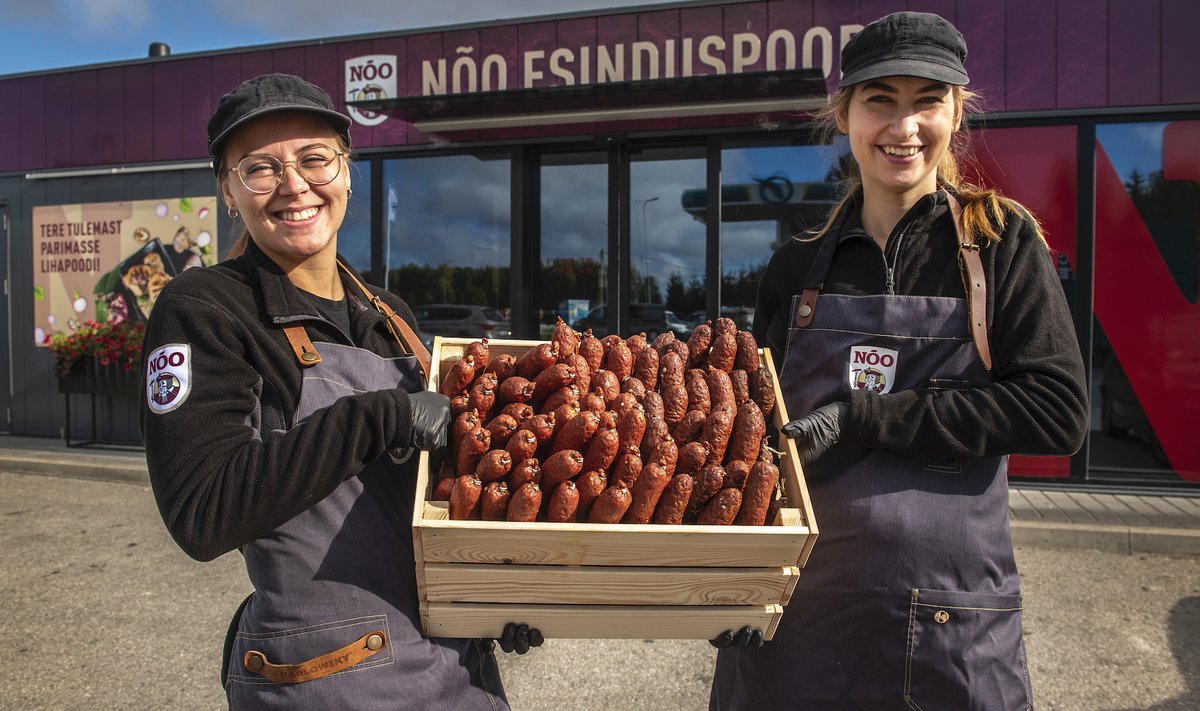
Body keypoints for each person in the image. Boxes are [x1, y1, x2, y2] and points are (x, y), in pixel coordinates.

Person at [709, 12, 1087, 710]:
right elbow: (748, 444)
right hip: (796, 620)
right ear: (845, 112)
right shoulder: (796, 267)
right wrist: (721, 584)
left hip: (950, 621)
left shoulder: (1000, 245)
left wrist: (864, 417)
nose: (903, 125)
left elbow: (1057, 411)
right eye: (881, 98)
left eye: (927, 99)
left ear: (955, 112)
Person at [140, 73, 538, 710]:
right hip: (328, 682)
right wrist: (380, 417)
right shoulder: (207, 309)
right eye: (260, 167)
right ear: (227, 190)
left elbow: (445, 504)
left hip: (457, 677)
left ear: (347, 170)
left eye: (314, 158)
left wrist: (496, 594)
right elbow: (203, 512)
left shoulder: (393, 318)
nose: (294, 185)